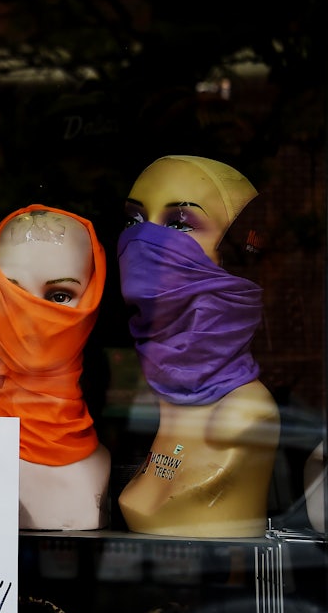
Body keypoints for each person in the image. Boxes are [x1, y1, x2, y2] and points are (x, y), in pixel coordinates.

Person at [116, 155, 280, 537]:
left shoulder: (247, 417)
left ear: (234, 254)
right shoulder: (160, 396)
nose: (143, 239)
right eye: (133, 221)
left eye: (178, 223)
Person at [0, 204, 110, 530]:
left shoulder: (100, 465)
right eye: (11, 294)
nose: (30, 315)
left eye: (58, 296)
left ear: (93, 296)